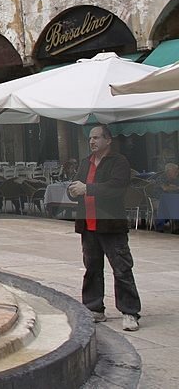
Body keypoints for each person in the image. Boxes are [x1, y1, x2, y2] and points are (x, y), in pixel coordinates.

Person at [67, 123, 141, 331]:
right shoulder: (85, 162)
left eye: (97, 138)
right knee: (92, 268)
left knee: (122, 268)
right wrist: (72, 191)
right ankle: (94, 308)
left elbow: (115, 188)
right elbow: (76, 185)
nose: (92, 141)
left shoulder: (118, 162)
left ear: (108, 140)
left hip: (111, 225)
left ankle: (129, 312)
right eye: (90, 138)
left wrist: (86, 188)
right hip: (88, 224)